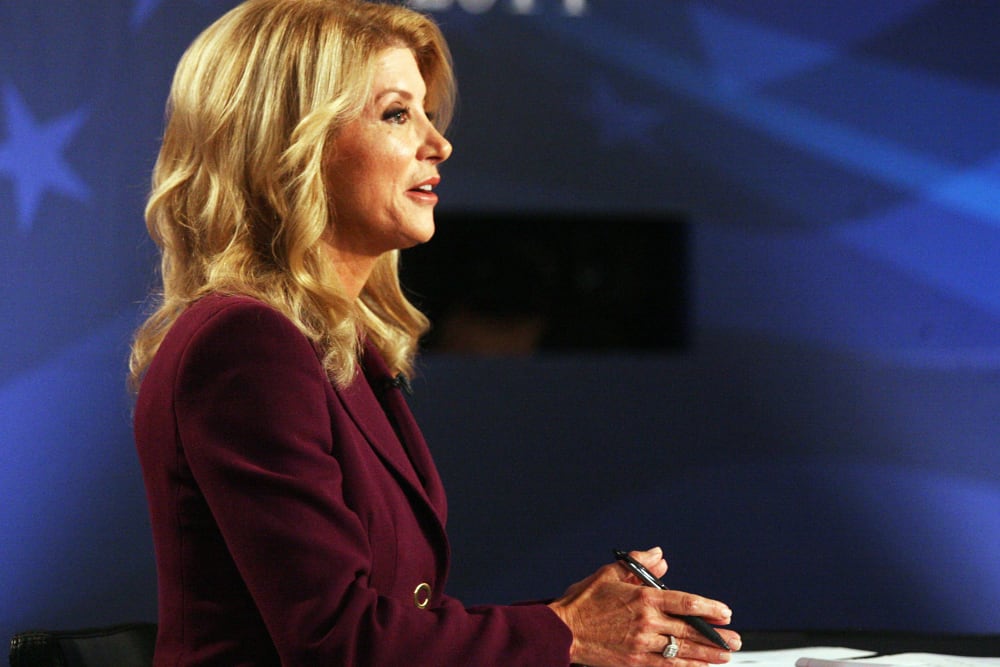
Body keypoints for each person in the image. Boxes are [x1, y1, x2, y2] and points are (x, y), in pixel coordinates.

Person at [128, 1, 741, 665]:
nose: (438, 142)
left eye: (424, 111)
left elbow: (384, 622)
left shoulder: (328, 343)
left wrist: (574, 623)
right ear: (290, 143)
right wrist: (565, 631)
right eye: (397, 113)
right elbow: (340, 641)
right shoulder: (246, 345)